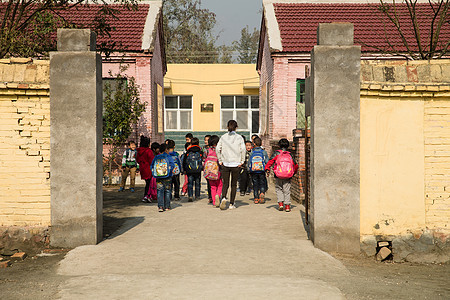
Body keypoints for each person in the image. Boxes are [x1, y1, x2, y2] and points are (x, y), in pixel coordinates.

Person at [216, 120, 246, 210]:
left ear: (227, 126)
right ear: (236, 127)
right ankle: (231, 204)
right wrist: (242, 161)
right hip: (236, 164)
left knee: (225, 183)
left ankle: (224, 197)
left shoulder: (223, 137)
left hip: (225, 163)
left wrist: (220, 160)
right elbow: (243, 150)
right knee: (234, 185)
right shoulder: (239, 137)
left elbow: (218, 149)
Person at [265, 138, 299, 212]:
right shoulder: (290, 154)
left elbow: (270, 162)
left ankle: (280, 204)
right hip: (288, 175)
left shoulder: (276, 153)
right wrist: (294, 172)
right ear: (288, 146)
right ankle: (287, 206)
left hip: (278, 175)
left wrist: (267, 169)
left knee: (279, 189)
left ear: (279, 145)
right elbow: (295, 165)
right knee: (287, 190)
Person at [151, 143, 175, 212]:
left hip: (158, 177)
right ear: (166, 150)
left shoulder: (156, 157)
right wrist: (169, 171)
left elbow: (152, 166)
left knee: (159, 191)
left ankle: (160, 206)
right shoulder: (168, 157)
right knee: (167, 191)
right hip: (168, 177)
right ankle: (167, 206)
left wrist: (155, 173)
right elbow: (172, 165)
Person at [248, 137, 269, 204]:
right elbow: (267, 161)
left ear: (254, 144)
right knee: (262, 183)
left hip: (254, 171)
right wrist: (267, 169)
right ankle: (262, 193)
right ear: (261, 143)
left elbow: (249, 162)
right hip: (261, 171)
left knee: (255, 184)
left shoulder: (252, 152)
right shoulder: (264, 152)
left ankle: (256, 198)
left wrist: (249, 169)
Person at [203, 135, 222, 207]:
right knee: (220, 185)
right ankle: (218, 195)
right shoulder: (219, 150)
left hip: (209, 171)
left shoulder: (207, 150)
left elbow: (204, 159)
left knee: (212, 187)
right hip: (217, 171)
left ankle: (214, 202)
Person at [183, 137, 203, 202]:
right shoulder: (200, 150)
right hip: (198, 170)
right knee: (197, 183)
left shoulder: (188, 151)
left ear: (191, 143)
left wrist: (184, 169)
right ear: (198, 143)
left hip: (189, 170)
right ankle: (197, 196)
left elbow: (184, 160)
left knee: (190, 183)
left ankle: (190, 195)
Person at [136, 136, 155, 203]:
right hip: (148, 169)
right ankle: (147, 195)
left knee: (147, 183)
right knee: (149, 183)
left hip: (143, 169)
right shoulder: (148, 151)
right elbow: (152, 160)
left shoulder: (139, 151)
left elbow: (138, 160)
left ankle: (146, 195)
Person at [203, 134, 212, 203]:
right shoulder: (204, 148)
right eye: (205, 140)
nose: (206, 141)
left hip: (213, 167)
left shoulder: (212, 148)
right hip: (207, 167)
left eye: (207, 140)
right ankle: (210, 196)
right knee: (208, 182)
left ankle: (213, 195)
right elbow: (203, 157)